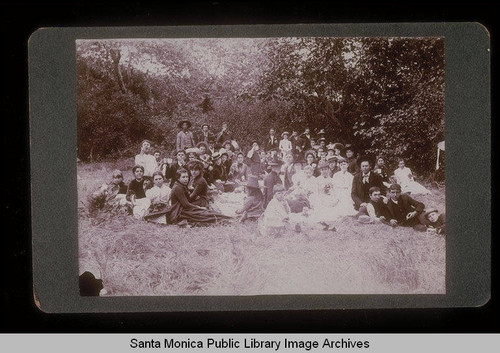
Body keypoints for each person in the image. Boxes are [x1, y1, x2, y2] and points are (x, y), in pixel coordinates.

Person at [166, 169, 231, 225]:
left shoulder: (181, 185)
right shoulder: (178, 188)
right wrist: (198, 207)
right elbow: (186, 204)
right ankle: (220, 218)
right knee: (201, 214)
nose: (186, 179)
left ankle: (222, 218)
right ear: (178, 178)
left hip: (182, 208)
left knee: (203, 211)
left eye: (187, 177)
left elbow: (188, 199)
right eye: (183, 177)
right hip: (178, 211)